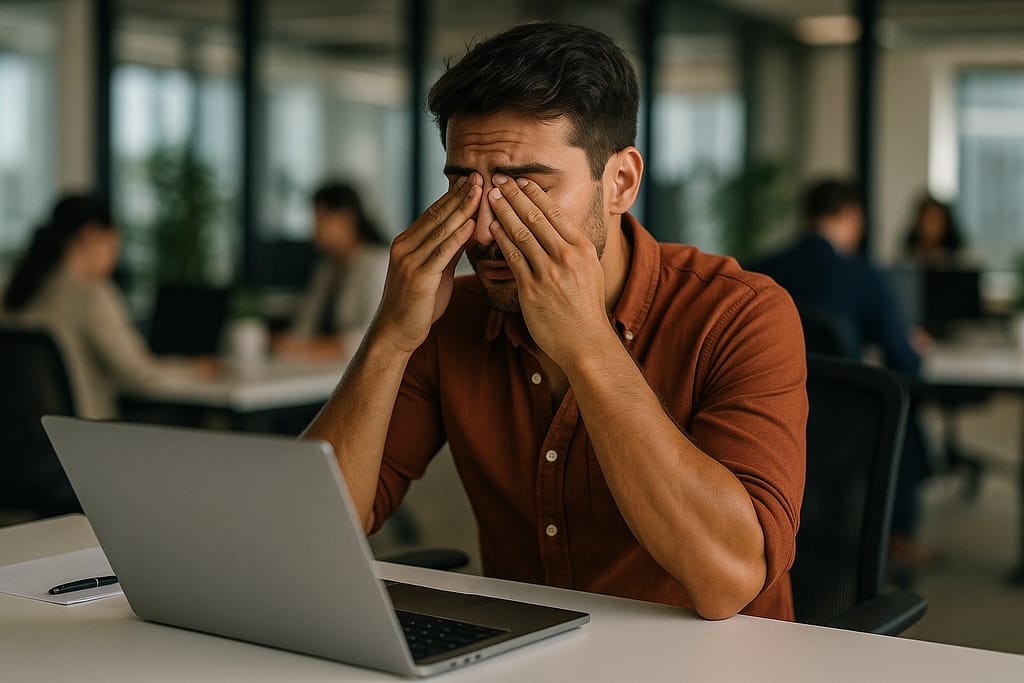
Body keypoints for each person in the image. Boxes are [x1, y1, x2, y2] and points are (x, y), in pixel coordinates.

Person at [303, 22, 807, 621]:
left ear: (619, 183)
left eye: (524, 191)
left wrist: (587, 344)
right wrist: (389, 337)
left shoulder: (741, 313)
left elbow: (729, 582)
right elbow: (307, 539)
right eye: (465, 188)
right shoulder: (449, 316)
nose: (486, 231)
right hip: (529, 657)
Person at [750, 178, 935, 571]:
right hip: (842, 420)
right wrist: (910, 343)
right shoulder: (859, 272)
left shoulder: (761, 268)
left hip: (768, 417)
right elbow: (905, 359)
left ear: (806, 216)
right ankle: (898, 535)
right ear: (852, 217)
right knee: (903, 418)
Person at [0, 194, 208, 420]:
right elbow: (139, 376)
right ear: (91, 235)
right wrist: (194, 368)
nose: (114, 257)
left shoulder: (18, 291)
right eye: (114, 245)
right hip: (85, 436)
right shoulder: (91, 293)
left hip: (25, 443)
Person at [274, 182, 390, 360]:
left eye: (320, 218)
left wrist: (307, 347)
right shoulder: (327, 268)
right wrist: (288, 344)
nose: (314, 229)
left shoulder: (378, 264)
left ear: (347, 217)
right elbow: (304, 327)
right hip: (318, 368)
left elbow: (373, 338)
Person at [903, 194, 969, 265]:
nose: (933, 225)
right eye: (929, 219)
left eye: (937, 219)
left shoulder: (959, 255)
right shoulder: (906, 254)